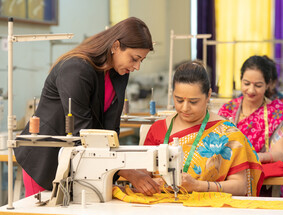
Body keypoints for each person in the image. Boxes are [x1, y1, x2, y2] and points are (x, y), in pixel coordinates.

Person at [14, 17, 160, 197]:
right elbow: (82, 134)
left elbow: (110, 132)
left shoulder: (118, 73)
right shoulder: (76, 69)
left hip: (81, 164)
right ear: (115, 46)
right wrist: (126, 170)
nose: (137, 66)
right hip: (46, 162)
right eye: (134, 58)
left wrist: (130, 165)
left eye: (141, 61)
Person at [144, 60, 263, 196]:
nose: (185, 108)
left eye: (193, 102)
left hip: (209, 210)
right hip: (160, 208)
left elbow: (241, 187)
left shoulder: (228, 133)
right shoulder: (158, 129)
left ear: (208, 95)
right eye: (179, 100)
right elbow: (142, 174)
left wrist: (198, 186)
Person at [218, 55, 283, 164]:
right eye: (246, 83)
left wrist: (258, 157)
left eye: (258, 85)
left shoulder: (278, 113)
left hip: (264, 172)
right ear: (240, 79)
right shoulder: (228, 110)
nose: (251, 90)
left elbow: (280, 153)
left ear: (268, 84)